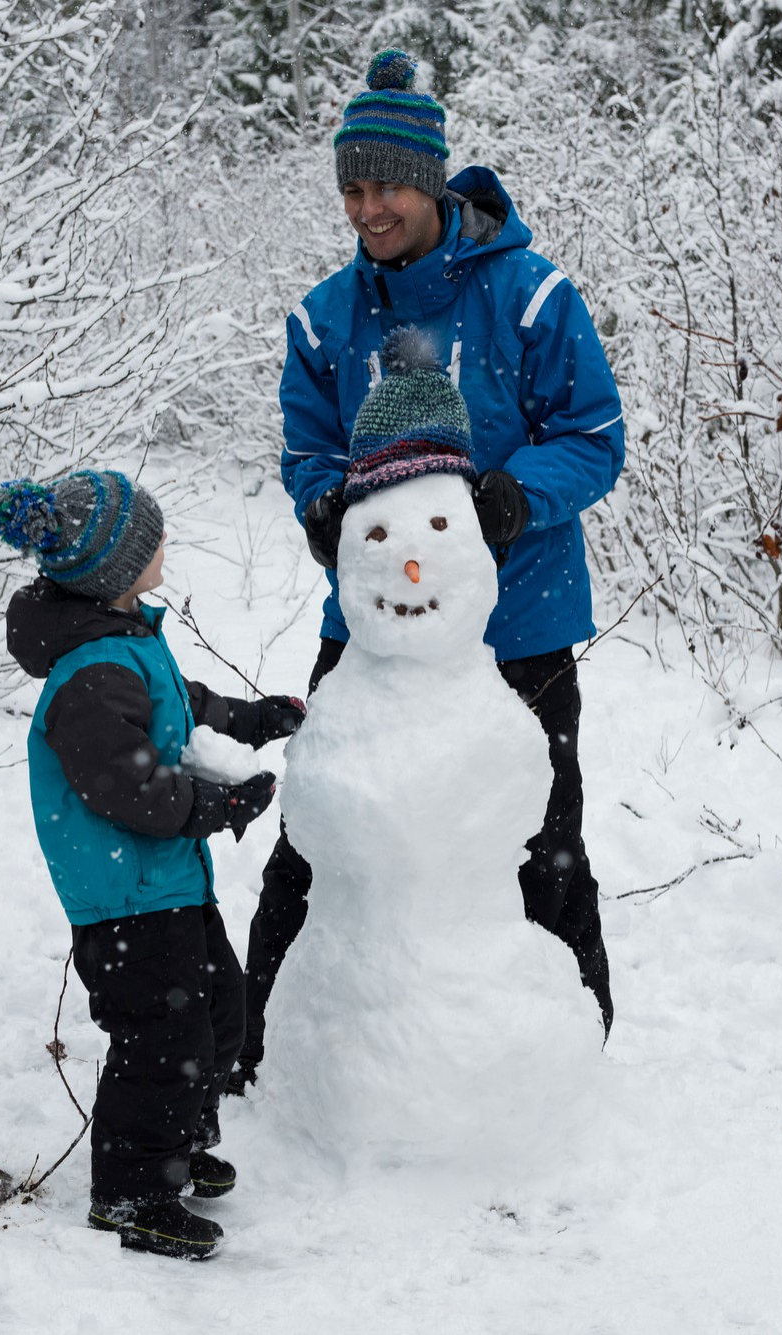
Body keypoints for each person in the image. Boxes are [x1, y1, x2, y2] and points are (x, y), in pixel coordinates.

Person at [233, 48, 626, 1093]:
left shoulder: (530, 299)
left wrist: (505, 500)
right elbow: (307, 447)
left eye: (386, 186)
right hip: (370, 633)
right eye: (351, 189)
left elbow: (593, 437)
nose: (367, 208)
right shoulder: (326, 317)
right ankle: (251, 1046)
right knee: (321, 836)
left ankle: (573, 1053)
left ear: (433, 180)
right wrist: (324, 510)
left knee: (542, 844)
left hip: (519, 626)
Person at [0, 468, 304, 1261]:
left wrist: (252, 719)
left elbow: (183, 703)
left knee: (218, 1012)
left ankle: (177, 1143)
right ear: (118, 566)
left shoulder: (126, 639)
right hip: (126, 897)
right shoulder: (90, 673)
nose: (165, 540)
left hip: (166, 879)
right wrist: (218, 808)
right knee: (162, 1036)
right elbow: (125, 785)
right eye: (152, 534)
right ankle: (132, 1191)